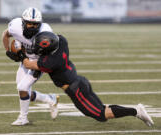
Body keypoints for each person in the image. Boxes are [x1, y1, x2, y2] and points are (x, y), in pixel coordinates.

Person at [17, 31, 154, 126]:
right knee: (101, 109)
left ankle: (136, 111)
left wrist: (20, 54)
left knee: (101, 114)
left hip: (75, 90)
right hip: (80, 82)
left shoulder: (49, 63)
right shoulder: (62, 41)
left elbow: (28, 64)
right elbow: (53, 38)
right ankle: (135, 110)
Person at [2, 7, 59, 126]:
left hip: (38, 61)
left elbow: (51, 52)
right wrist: (8, 51)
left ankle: (23, 118)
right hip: (25, 59)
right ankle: (49, 99)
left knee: (23, 87)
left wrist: (40, 67)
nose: (32, 27)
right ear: (23, 22)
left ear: (40, 24)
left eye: (35, 24)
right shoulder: (15, 26)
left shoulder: (45, 32)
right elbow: (5, 35)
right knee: (22, 90)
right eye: (29, 24)